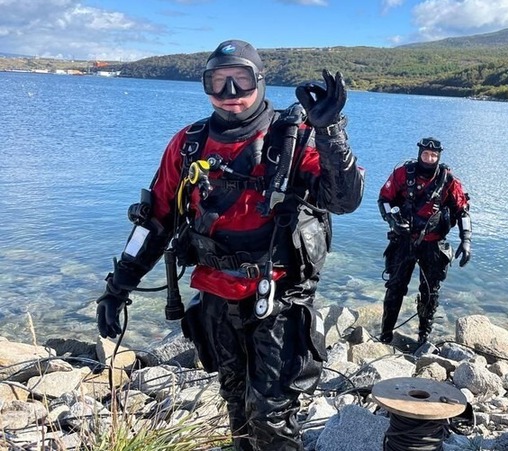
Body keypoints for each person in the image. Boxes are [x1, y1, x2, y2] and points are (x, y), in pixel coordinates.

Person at [94, 39, 364, 450]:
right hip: (215, 296)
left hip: (278, 296)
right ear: (206, 86)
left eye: (241, 80)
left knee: (272, 415)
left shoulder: (294, 136)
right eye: (219, 81)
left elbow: (344, 199)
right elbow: (155, 221)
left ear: (261, 81)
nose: (231, 93)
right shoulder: (189, 144)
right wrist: (117, 288)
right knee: (236, 402)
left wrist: (330, 131)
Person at [377, 137, 471, 344]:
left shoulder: (448, 180)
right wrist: (392, 221)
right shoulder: (403, 173)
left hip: (433, 243)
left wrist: (466, 240)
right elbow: (384, 199)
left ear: (439, 157)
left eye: (433, 155)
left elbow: (463, 211)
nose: (429, 159)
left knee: (430, 292)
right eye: (426, 154)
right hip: (404, 240)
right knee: (395, 287)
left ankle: (423, 337)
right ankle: (385, 334)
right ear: (419, 154)